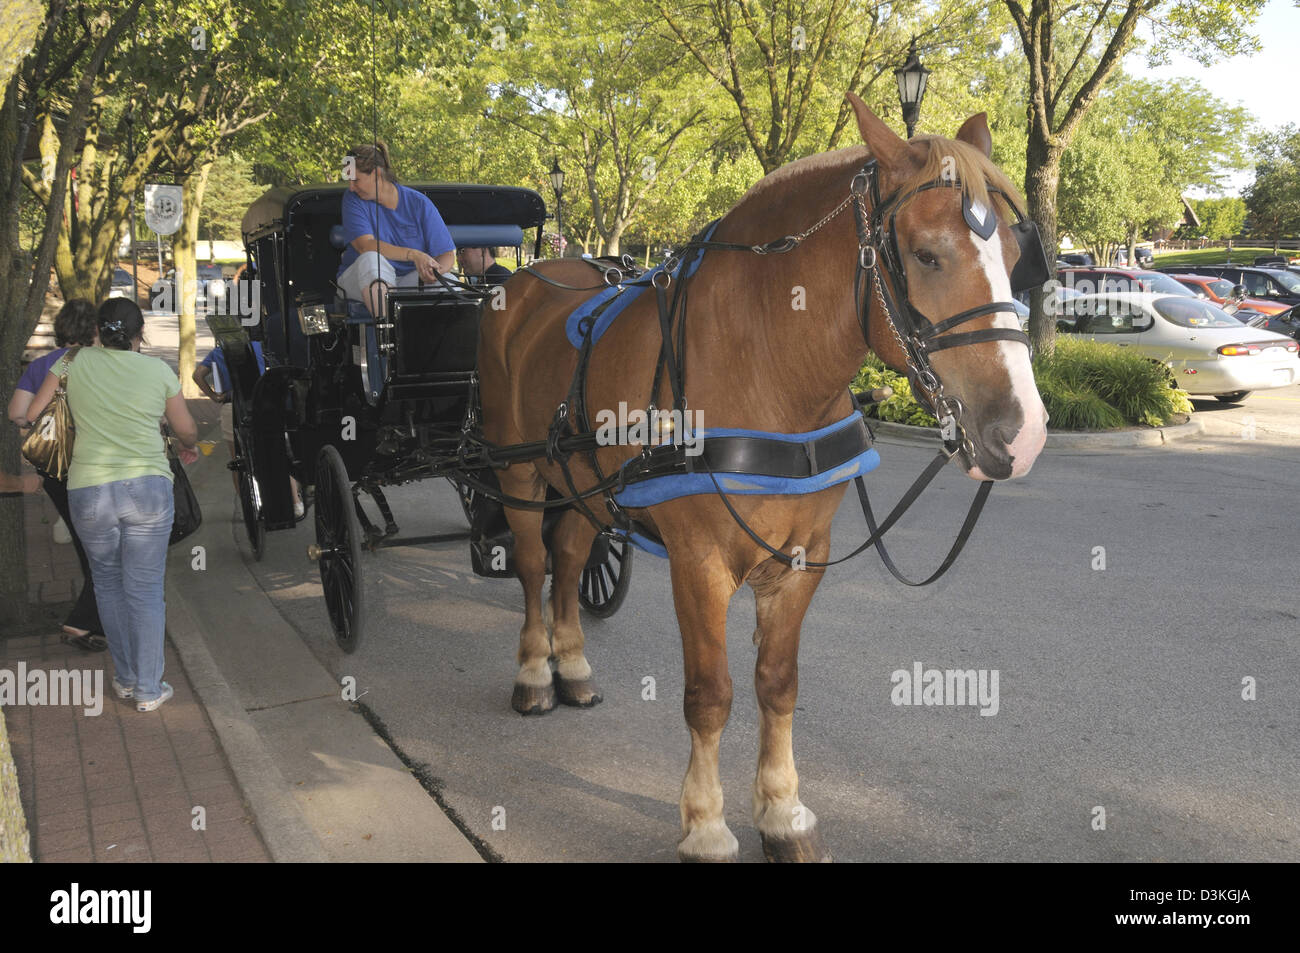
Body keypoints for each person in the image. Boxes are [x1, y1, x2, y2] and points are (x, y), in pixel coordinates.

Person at [26, 299, 199, 712]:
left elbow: (32, 413)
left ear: (98, 332)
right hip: (147, 488)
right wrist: (188, 446)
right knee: (144, 590)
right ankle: (147, 688)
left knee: (107, 583)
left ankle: (123, 679)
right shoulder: (157, 370)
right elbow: (185, 428)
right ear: (140, 335)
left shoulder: (70, 361)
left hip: (88, 488)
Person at [8, 299, 106, 649]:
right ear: (95, 329)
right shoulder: (100, 363)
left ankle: (93, 619)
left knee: (88, 544)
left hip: (53, 467)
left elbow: (18, 415)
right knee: (103, 547)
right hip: (92, 463)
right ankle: (83, 622)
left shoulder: (40, 366)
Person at [336, 141, 455, 318]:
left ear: (376, 174)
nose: (351, 187)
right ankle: (390, 340)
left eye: (355, 179)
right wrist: (413, 254)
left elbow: (447, 255)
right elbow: (365, 245)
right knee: (371, 260)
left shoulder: (419, 203)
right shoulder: (352, 199)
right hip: (360, 279)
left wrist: (434, 272)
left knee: (450, 282)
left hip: (405, 280)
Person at [192, 342, 302, 516]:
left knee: (239, 460)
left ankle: (251, 508)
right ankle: (296, 502)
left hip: (232, 405)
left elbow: (197, 375)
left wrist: (214, 396)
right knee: (276, 452)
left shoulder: (218, 352)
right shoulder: (259, 346)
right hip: (263, 402)